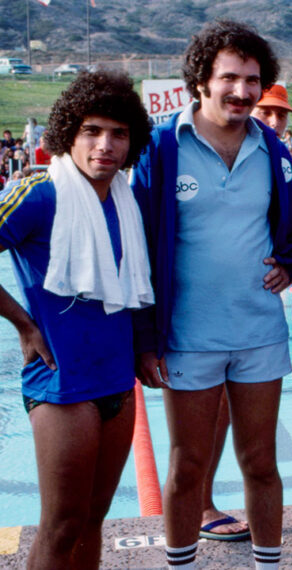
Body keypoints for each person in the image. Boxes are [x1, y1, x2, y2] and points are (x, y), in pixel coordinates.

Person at [131, 20, 292, 570]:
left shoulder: (272, 149)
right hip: (188, 336)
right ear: (201, 81)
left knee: (261, 463)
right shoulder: (160, 148)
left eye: (253, 80)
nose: (243, 91)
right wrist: (143, 336)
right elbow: (134, 243)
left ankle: (268, 564)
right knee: (186, 466)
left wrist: (291, 262)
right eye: (230, 77)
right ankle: (181, 564)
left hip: (257, 332)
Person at [0, 70, 153, 569]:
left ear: (132, 141)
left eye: (118, 133)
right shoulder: (41, 193)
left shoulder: (128, 200)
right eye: (92, 130)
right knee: (61, 524)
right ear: (69, 133)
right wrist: (24, 325)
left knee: (94, 518)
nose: (105, 145)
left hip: (115, 380)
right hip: (62, 384)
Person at [187, 81, 292, 544]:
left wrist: (291, 256)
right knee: (209, 421)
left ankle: (218, 510)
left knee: (248, 437)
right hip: (200, 317)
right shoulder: (189, 146)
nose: (275, 121)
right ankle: (200, 504)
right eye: (268, 112)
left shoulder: (281, 159)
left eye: (282, 114)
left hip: (255, 312)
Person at [252, 83, 292, 185]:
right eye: (265, 113)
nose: (275, 122)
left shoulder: (287, 161)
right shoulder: (229, 156)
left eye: (281, 115)